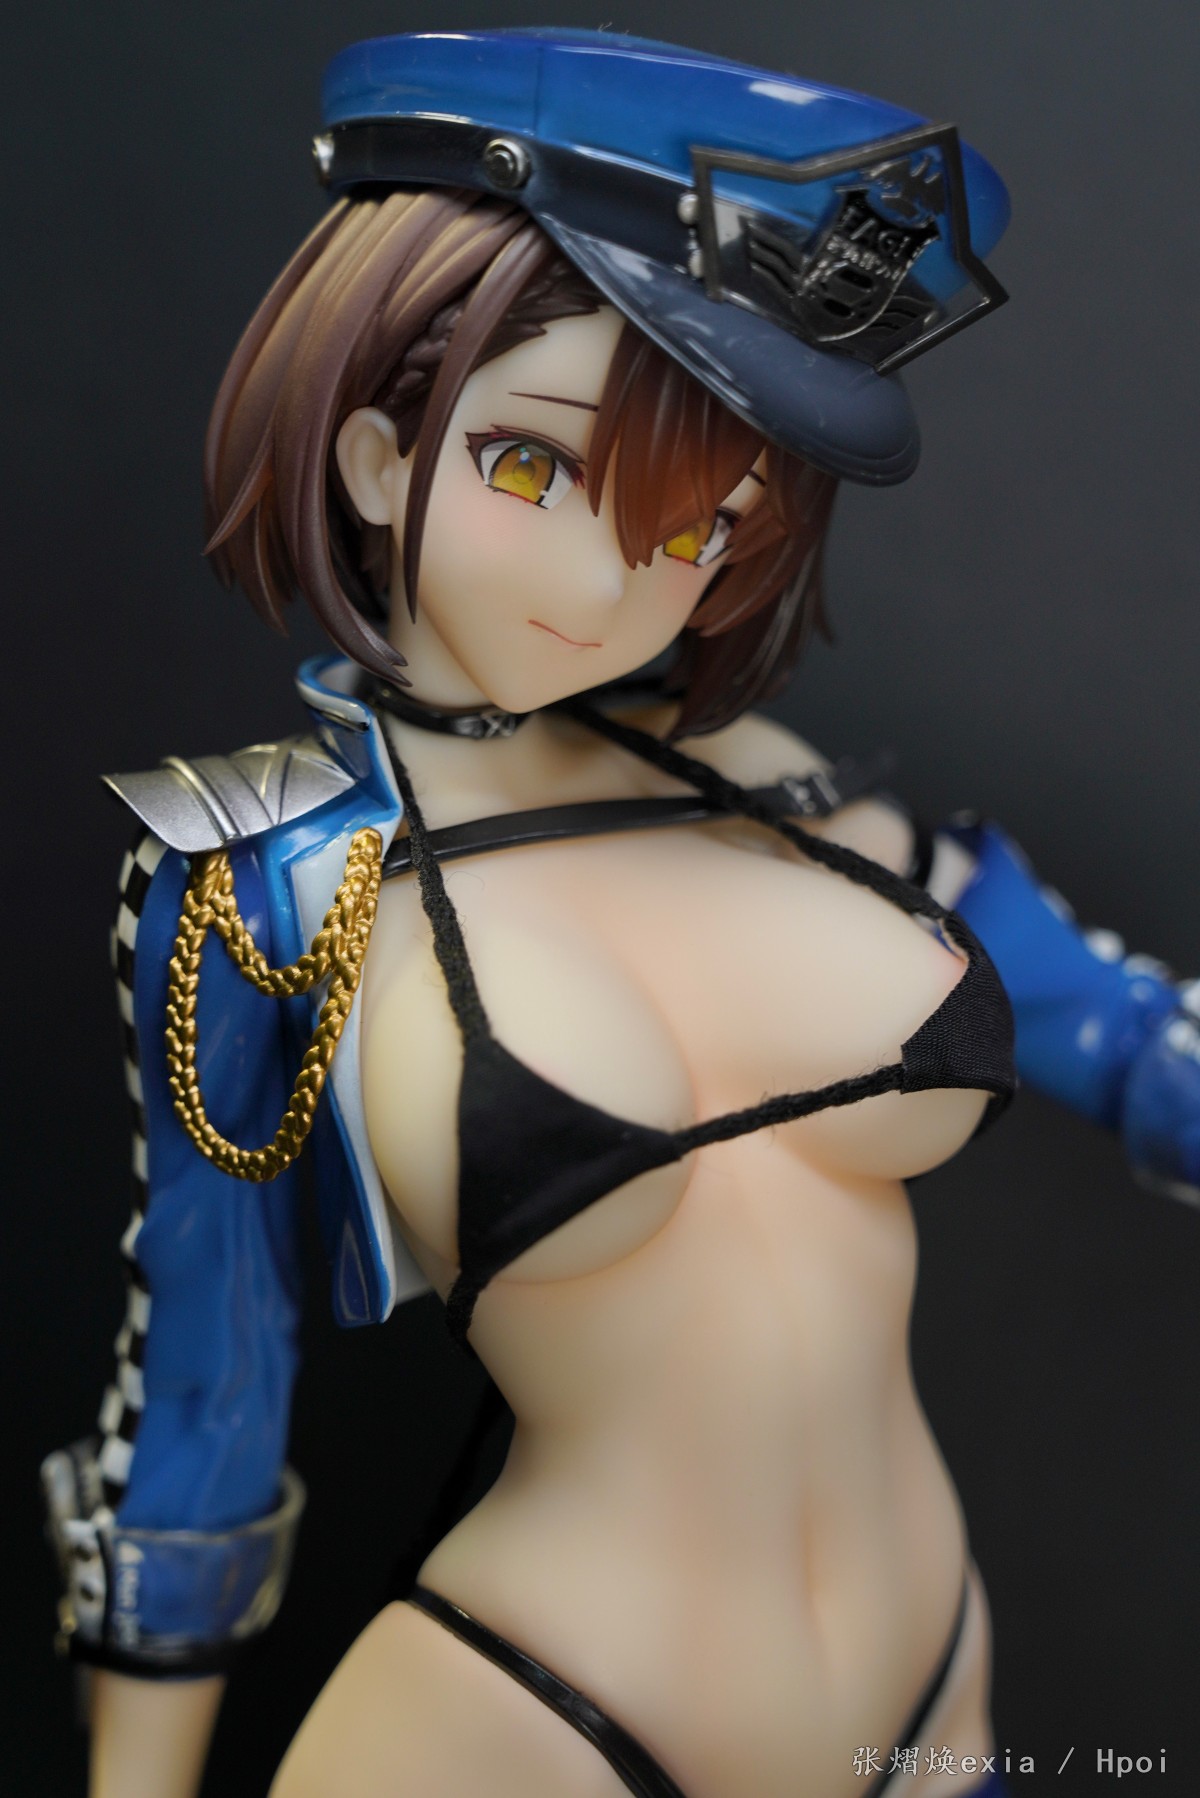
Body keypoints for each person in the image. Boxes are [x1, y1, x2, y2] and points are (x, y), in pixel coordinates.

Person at [42, 29, 1199, 1798]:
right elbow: (204, 1389)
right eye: (529, 468)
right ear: (375, 454)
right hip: (540, 1724)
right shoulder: (270, 881)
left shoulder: (794, 793)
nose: (609, 582)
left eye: (702, 521)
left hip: (928, 1698)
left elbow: (1128, 1039)